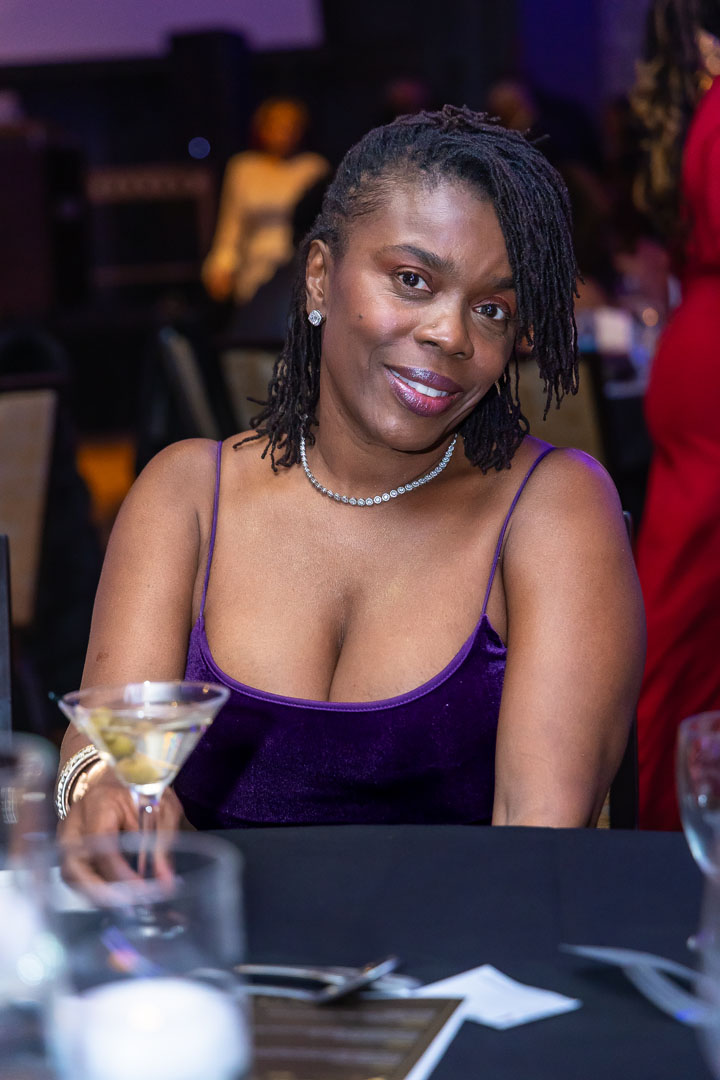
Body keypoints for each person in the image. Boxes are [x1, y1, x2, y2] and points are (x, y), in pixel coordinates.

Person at [56, 106, 644, 838]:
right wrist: (97, 790)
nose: (452, 334)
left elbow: (539, 838)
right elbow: (101, 747)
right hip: (210, 917)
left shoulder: (552, 507)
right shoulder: (188, 495)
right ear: (318, 278)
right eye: (413, 279)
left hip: (466, 917)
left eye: (493, 310)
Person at [631, 0, 720, 829]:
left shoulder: (706, 106)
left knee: (688, 621)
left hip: (698, 365)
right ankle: (670, 832)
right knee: (688, 627)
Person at [202, 97, 329, 306]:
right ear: (262, 128)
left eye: (291, 126)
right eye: (277, 125)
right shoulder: (243, 168)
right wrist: (221, 265)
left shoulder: (314, 168)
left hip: (300, 265)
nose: (284, 133)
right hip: (255, 268)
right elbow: (231, 224)